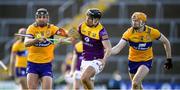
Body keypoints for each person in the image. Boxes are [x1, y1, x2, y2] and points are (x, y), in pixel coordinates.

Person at [111, 12, 173, 90]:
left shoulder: (151, 32)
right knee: (138, 86)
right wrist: (106, 51)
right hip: (132, 61)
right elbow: (117, 48)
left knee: (135, 83)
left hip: (146, 61)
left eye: (136, 21)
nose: (134, 22)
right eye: (133, 20)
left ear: (143, 22)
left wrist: (169, 59)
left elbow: (166, 42)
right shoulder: (129, 33)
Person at [24, 8, 68, 89]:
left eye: (44, 17)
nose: (42, 19)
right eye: (39, 17)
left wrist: (66, 38)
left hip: (46, 64)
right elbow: (26, 43)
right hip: (32, 64)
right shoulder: (31, 28)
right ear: (36, 18)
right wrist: (37, 40)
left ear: (47, 18)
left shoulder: (51, 28)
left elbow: (65, 33)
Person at [71, 8, 112, 89]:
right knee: (86, 84)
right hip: (85, 60)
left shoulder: (101, 31)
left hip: (97, 60)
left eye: (90, 18)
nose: (87, 19)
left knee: (84, 78)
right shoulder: (81, 26)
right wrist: (62, 40)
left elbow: (108, 49)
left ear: (96, 20)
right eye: (87, 17)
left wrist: (103, 60)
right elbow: (74, 40)